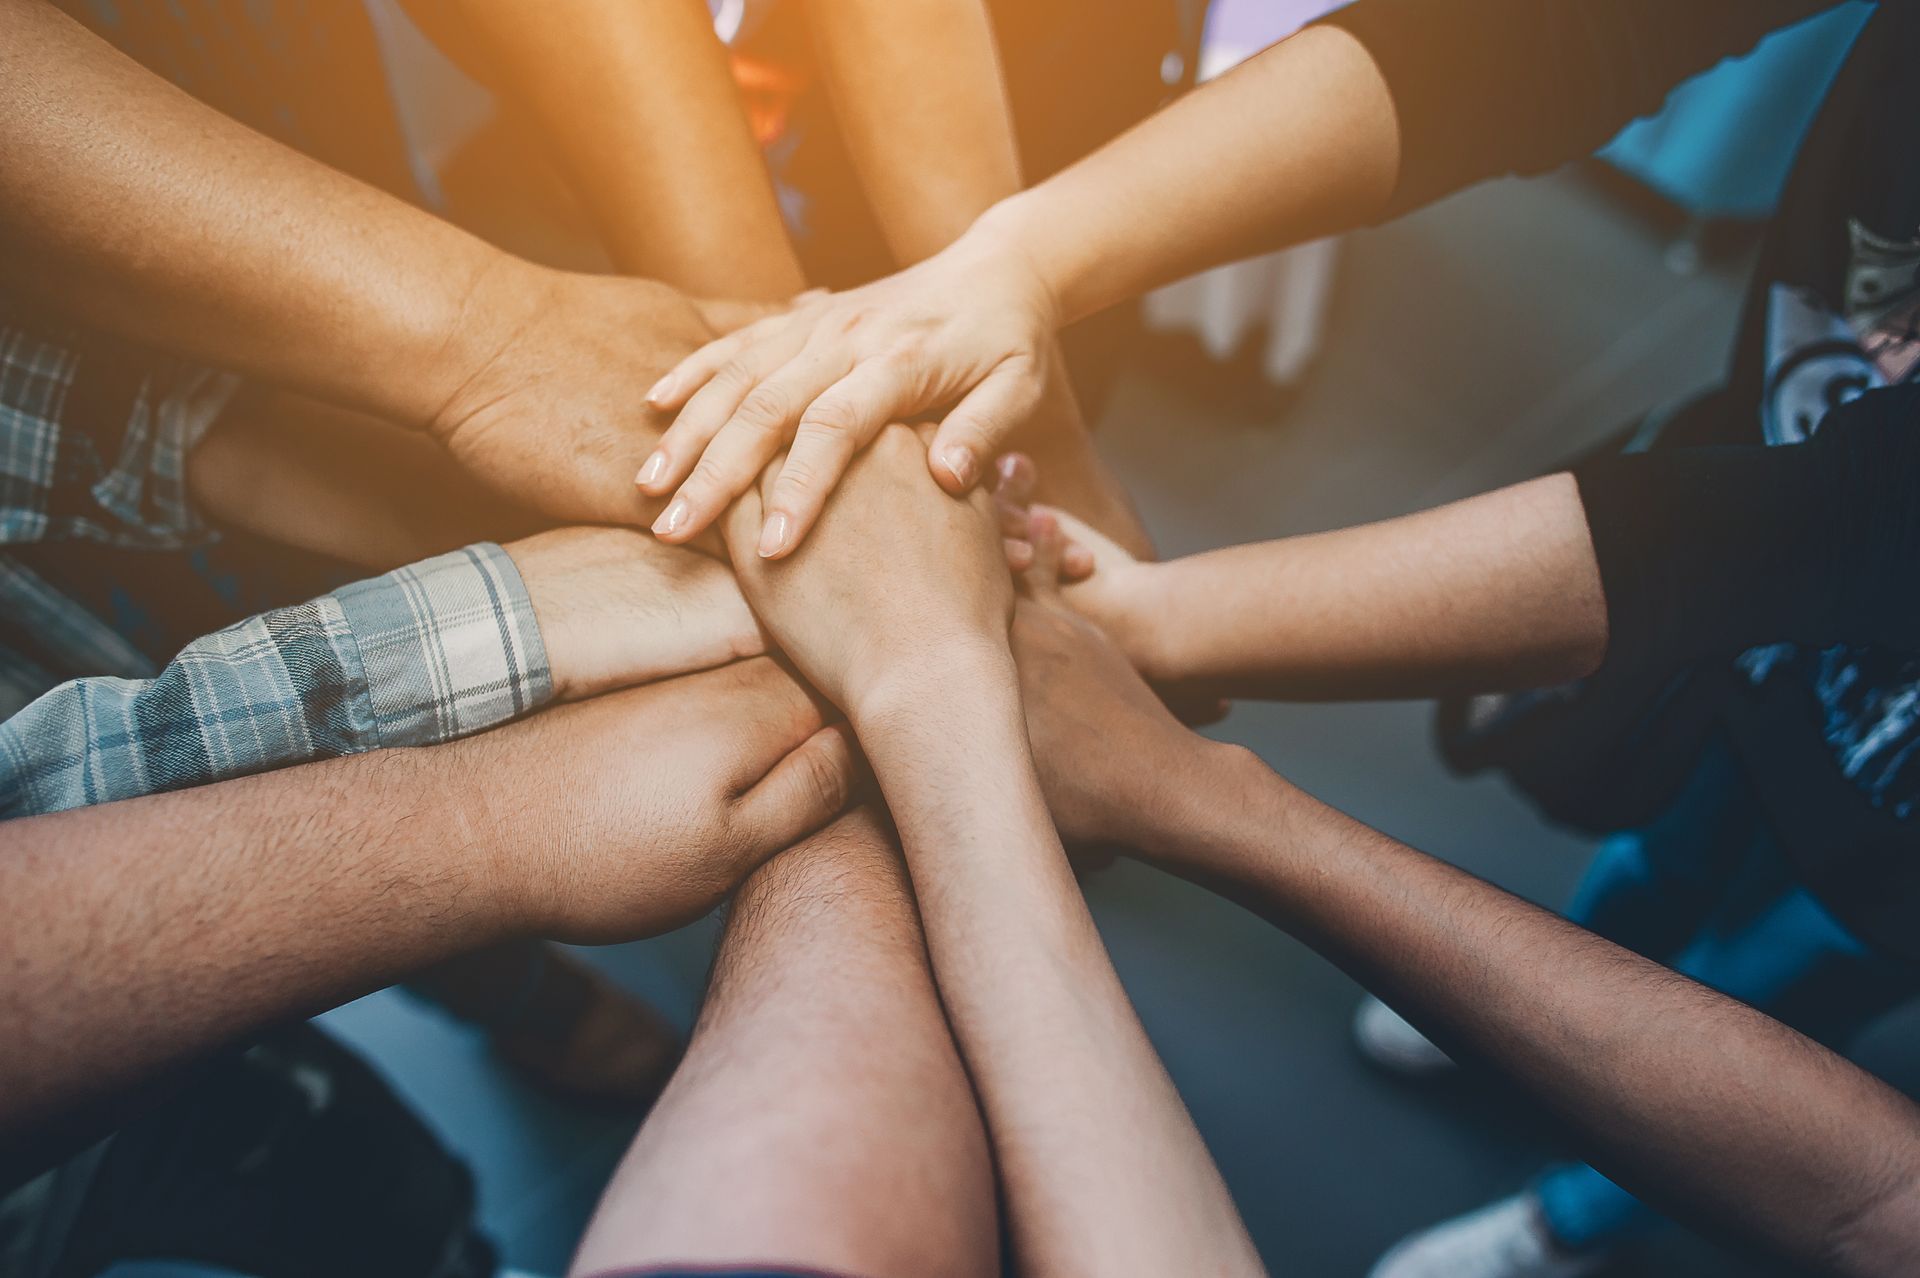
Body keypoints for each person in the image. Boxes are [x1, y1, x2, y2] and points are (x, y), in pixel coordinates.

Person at [990, 513, 1920, 1276]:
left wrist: (1190, 771)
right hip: (1819, 672)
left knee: (1779, 985)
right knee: (1662, 860)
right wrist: (1157, 614)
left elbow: (1877, 1197)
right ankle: (1504, 1029)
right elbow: (1814, 494)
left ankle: (1568, 1223)